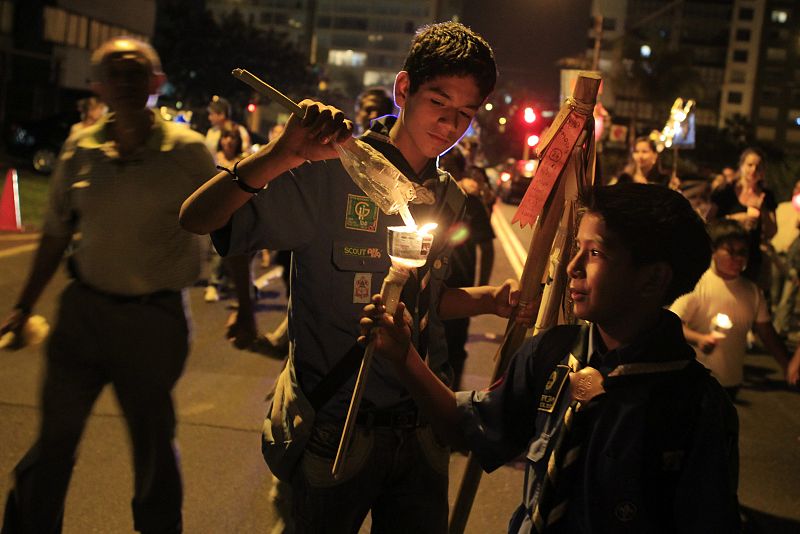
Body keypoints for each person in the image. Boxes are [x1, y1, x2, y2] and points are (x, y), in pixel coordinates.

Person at [180, 21, 526, 533]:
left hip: (422, 434)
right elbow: (198, 218)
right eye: (439, 102)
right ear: (404, 89)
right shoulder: (329, 167)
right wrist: (281, 154)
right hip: (335, 433)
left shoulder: (448, 197)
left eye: (465, 115)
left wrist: (487, 300)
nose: (450, 125)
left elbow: (425, 301)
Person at [362, 183, 742, 532]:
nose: (572, 267)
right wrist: (404, 356)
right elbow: (466, 428)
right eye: (576, 249)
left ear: (653, 279)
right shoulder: (553, 353)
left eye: (594, 253)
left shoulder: (696, 406)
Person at [0, 37, 216, 533]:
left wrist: (244, 308)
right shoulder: (81, 146)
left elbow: (229, 224)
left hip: (153, 321)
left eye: (135, 71)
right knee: (54, 440)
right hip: (83, 315)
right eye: (112, 72)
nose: (123, 80)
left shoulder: (188, 152)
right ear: (97, 84)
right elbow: (56, 231)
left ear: (155, 83)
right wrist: (23, 304)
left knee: (152, 444)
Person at [670, 220, 798, 399]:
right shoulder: (697, 285)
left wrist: (787, 365)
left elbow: (767, 333)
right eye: (731, 252)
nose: (738, 258)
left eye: (742, 252)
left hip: (731, 382)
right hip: (695, 380)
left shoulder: (752, 291)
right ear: (714, 251)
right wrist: (699, 338)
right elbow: (672, 324)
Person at [438, 146, 495, 390]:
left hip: (461, 289)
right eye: (442, 167)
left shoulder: (471, 203)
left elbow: (487, 248)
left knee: (454, 348)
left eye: (451, 169)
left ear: (461, 171)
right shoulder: (428, 197)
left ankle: (451, 403)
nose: (445, 173)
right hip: (429, 288)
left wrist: (481, 288)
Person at [711, 147, 777, 284]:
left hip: (751, 259)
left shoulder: (767, 196)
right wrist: (734, 219)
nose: (753, 170)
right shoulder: (725, 191)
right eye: (750, 165)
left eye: (758, 167)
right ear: (741, 166)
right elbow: (709, 222)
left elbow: (771, 232)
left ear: (763, 172)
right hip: (724, 255)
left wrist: (763, 210)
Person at [205, 95, 251, 160]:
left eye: (211, 114)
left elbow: (247, 154)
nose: (209, 118)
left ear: (222, 114)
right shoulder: (211, 131)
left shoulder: (239, 130)